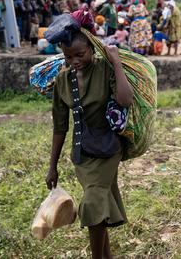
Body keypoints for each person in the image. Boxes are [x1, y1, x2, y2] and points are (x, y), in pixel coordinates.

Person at [45, 15, 133, 259]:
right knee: (99, 206)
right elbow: (60, 127)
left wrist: (116, 62)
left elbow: (125, 100)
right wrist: (52, 167)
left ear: (92, 48)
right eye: (68, 57)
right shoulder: (62, 80)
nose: (75, 61)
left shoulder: (105, 69)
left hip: (108, 150)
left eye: (80, 55)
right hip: (82, 155)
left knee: (93, 204)